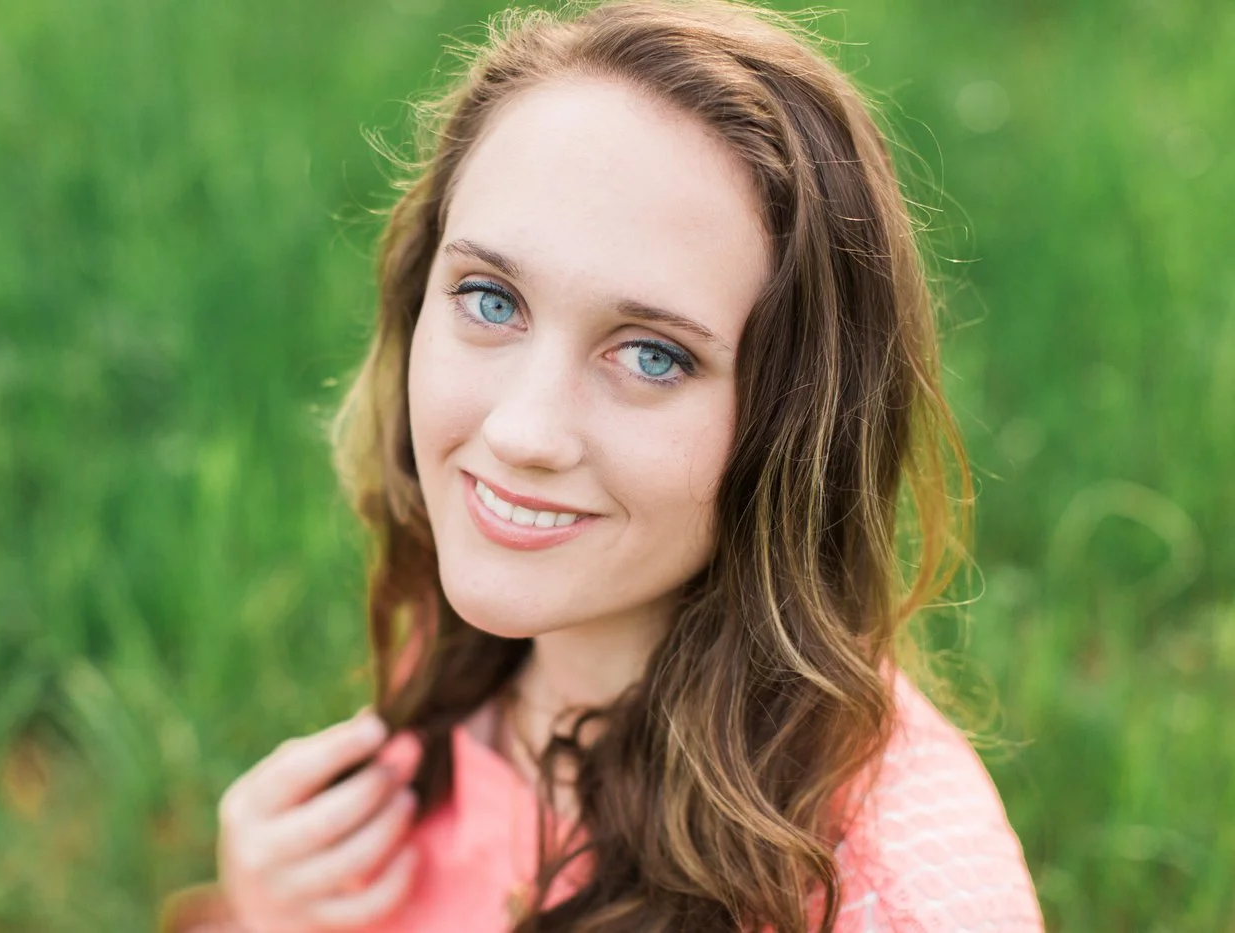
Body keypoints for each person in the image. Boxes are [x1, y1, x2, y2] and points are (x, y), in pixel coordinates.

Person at [161, 1, 1044, 930]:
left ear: (797, 424)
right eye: (490, 299)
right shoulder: (495, 628)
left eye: (653, 355)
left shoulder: (894, 903)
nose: (521, 432)